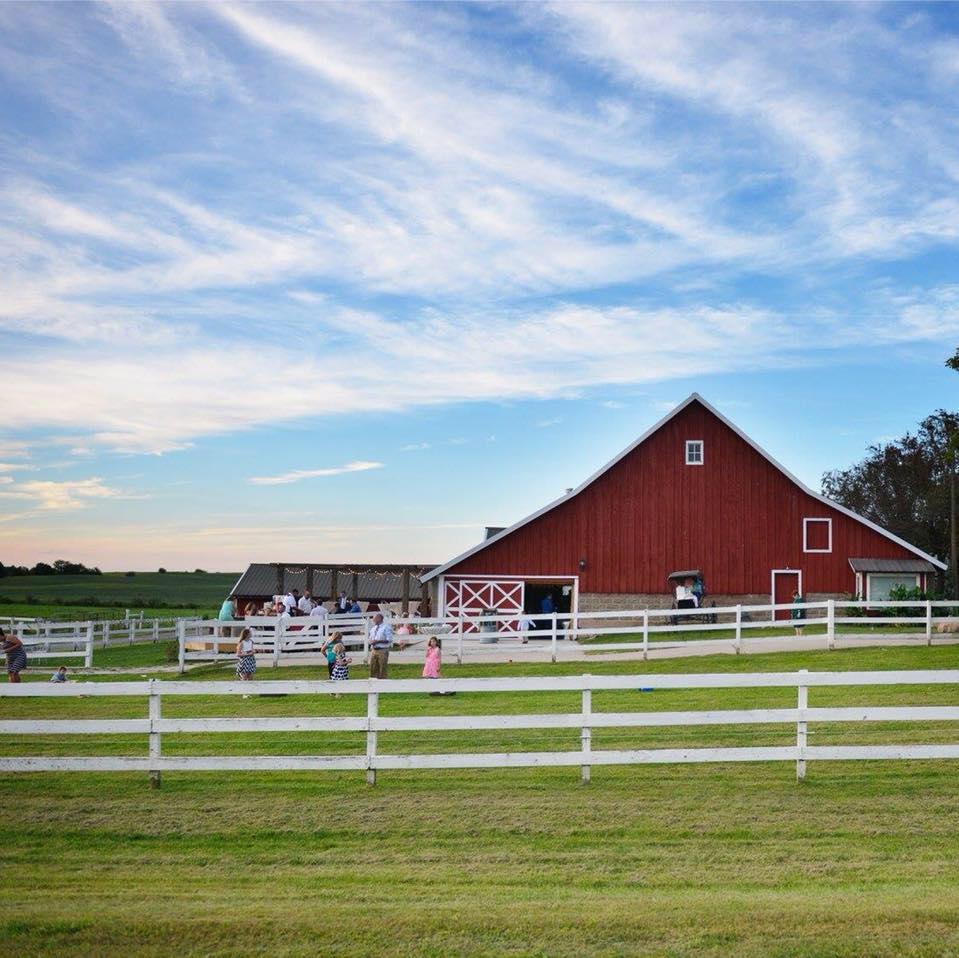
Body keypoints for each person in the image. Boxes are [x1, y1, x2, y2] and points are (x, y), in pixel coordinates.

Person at [369, 613, 393, 679]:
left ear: (379, 619)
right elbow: (371, 638)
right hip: (374, 650)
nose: (373, 620)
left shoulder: (386, 627)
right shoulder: (373, 628)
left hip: (382, 650)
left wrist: (378, 641)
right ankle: (373, 683)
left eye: (374, 618)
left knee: (382, 668)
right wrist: (371, 642)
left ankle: (383, 683)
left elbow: (389, 640)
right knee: (373, 667)